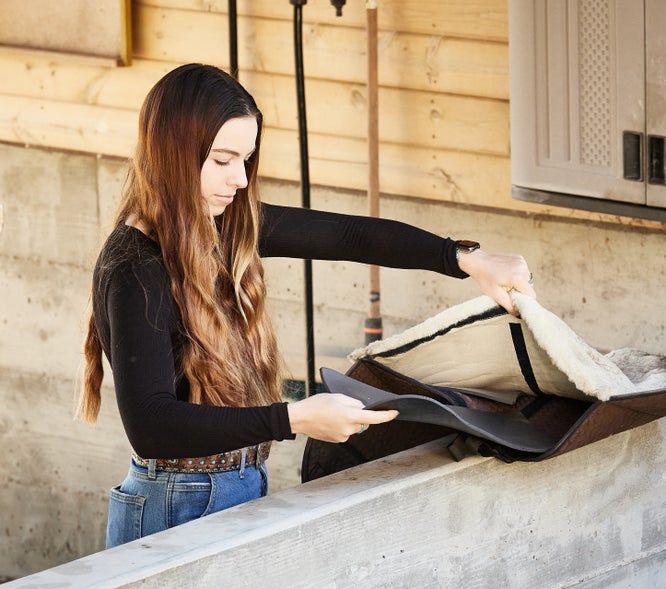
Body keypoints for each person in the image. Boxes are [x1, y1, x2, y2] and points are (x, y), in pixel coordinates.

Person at [77, 63, 535, 548]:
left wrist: (468, 259)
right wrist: (294, 418)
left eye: (246, 161)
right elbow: (151, 425)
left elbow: (349, 235)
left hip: (235, 486)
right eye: (221, 159)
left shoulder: (226, 223)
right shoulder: (133, 265)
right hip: (174, 503)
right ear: (171, 155)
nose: (238, 180)